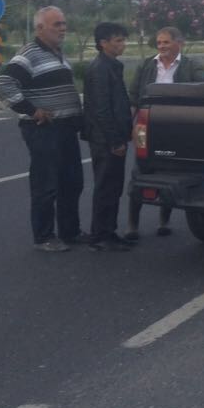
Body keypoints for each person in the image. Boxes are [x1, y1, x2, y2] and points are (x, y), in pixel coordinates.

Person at [0, 6, 87, 252]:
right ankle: (44, 236)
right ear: (40, 28)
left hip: (65, 129)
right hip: (44, 130)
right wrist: (32, 110)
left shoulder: (57, 53)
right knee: (46, 184)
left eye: (64, 23)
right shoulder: (30, 54)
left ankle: (70, 231)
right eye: (57, 24)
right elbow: (3, 83)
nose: (63, 28)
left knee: (72, 182)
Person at [127, 26, 204, 238]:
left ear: (179, 43)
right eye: (159, 42)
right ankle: (132, 226)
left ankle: (164, 221)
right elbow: (134, 97)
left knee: (170, 171)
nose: (161, 46)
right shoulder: (146, 65)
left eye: (166, 42)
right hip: (149, 126)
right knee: (140, 172)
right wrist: (130, 126)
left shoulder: (190, 65)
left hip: (177, 127)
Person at [82, 22, 134, 252]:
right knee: (105, 186)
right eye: (118, 40)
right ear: (103, 43)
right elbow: (101, 109)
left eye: (123, 40)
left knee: (114, 187)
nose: (123, 44)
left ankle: (108, 231)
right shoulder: (100, 69)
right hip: (105, 140)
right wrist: (115, 140)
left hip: (114, 137)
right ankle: (100, 235)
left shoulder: (112, 66)